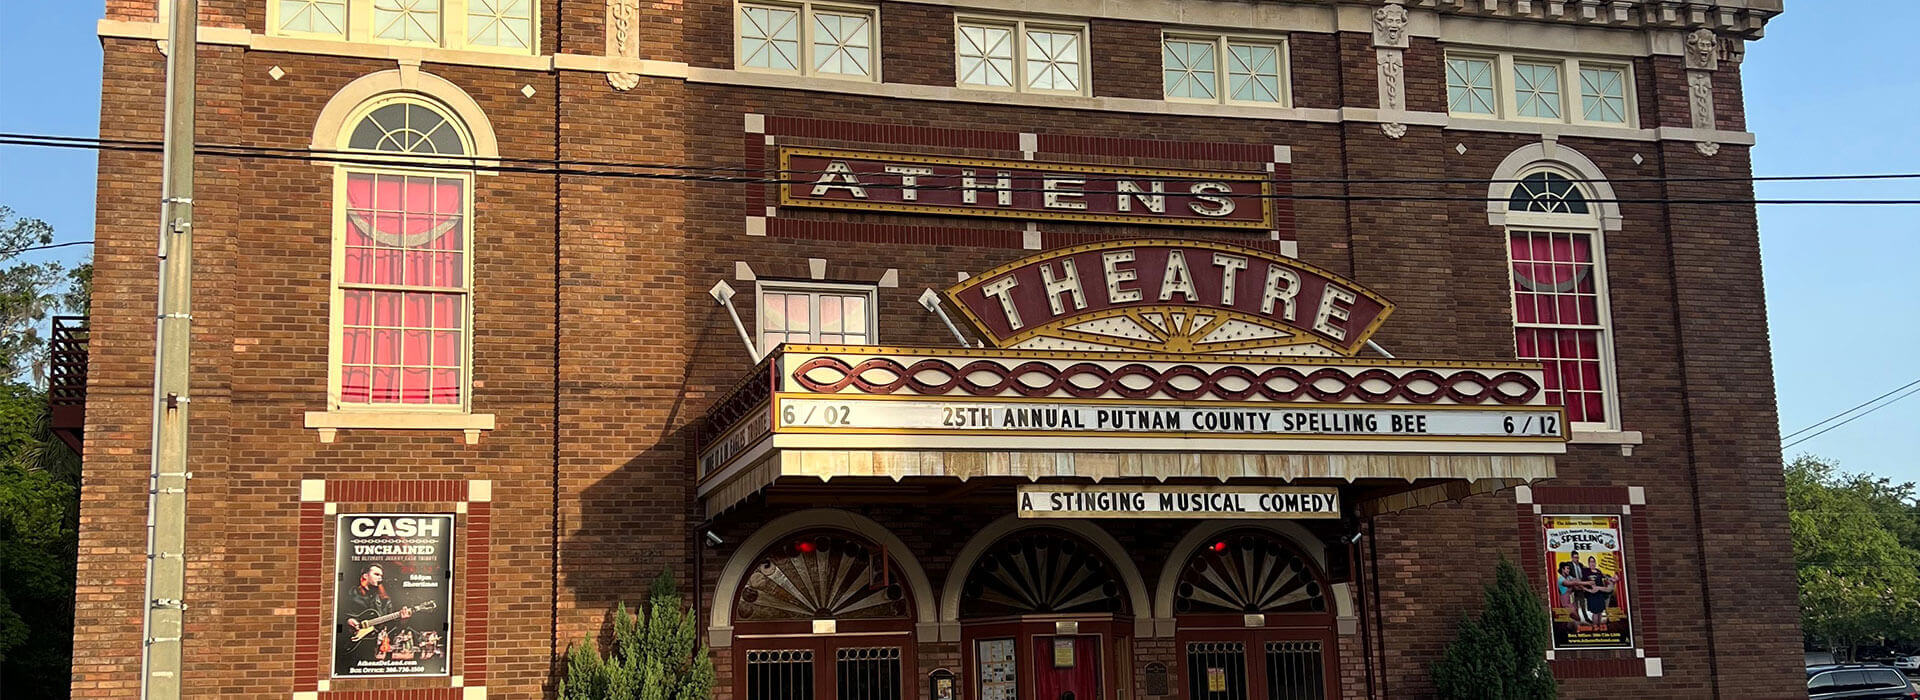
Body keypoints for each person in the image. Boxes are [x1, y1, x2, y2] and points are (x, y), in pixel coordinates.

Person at [342, 564, 410, 634]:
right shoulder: (350, 593)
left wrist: (403, 621)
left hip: (376, 641)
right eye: (376, 574)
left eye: (381, 576)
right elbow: (340, 616)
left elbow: (391, 627)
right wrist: (348, 621)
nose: (380, 578)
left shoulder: (384, 600)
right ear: (365, 576)